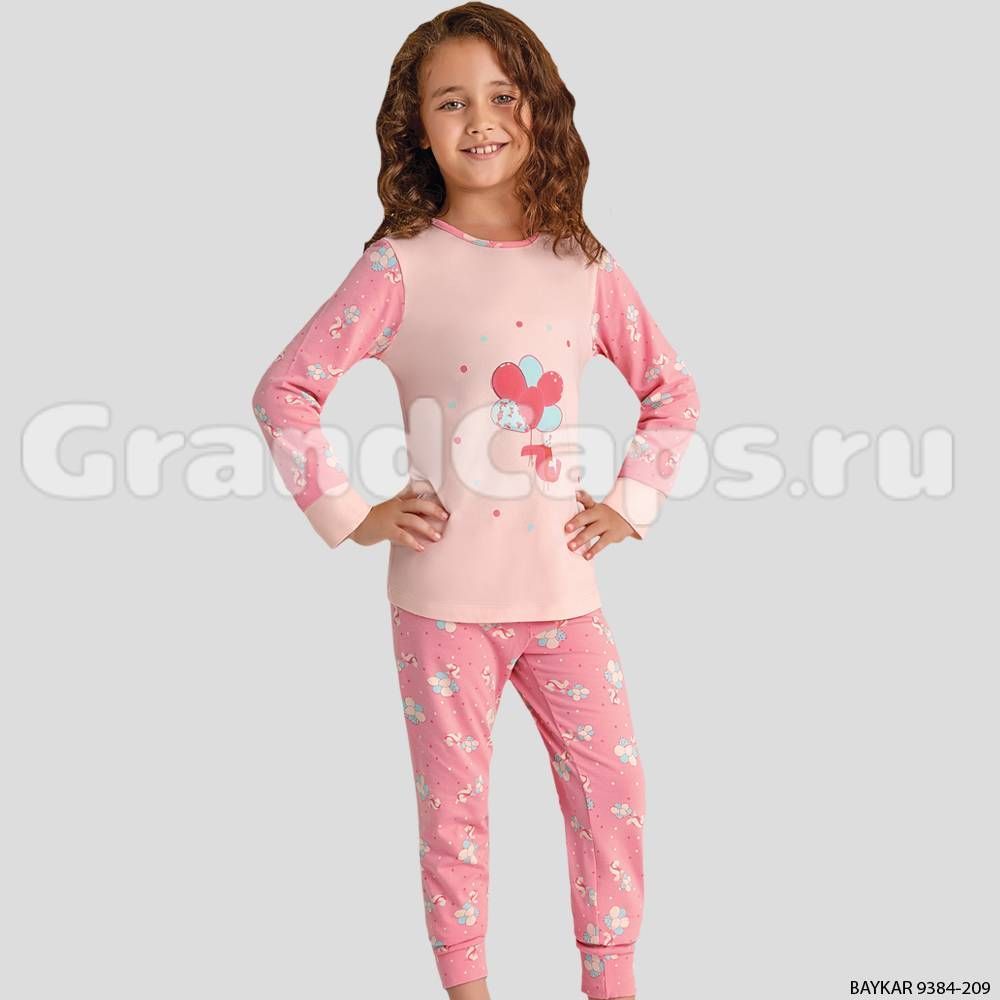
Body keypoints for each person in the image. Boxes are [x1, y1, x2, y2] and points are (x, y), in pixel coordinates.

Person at [250, 4, 701, 998]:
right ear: (416, 126)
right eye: (450, 102)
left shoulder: (584, 265)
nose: (481, 119)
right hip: (442, 602)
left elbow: (672, 390)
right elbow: (286, 390)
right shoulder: (398, 265)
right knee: (454, 810)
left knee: (612, 788)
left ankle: (611, 981)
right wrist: (350, 512)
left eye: (502, 95)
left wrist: (631, 500)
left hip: (564, 595)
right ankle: (466, 988)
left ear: (539, 109)